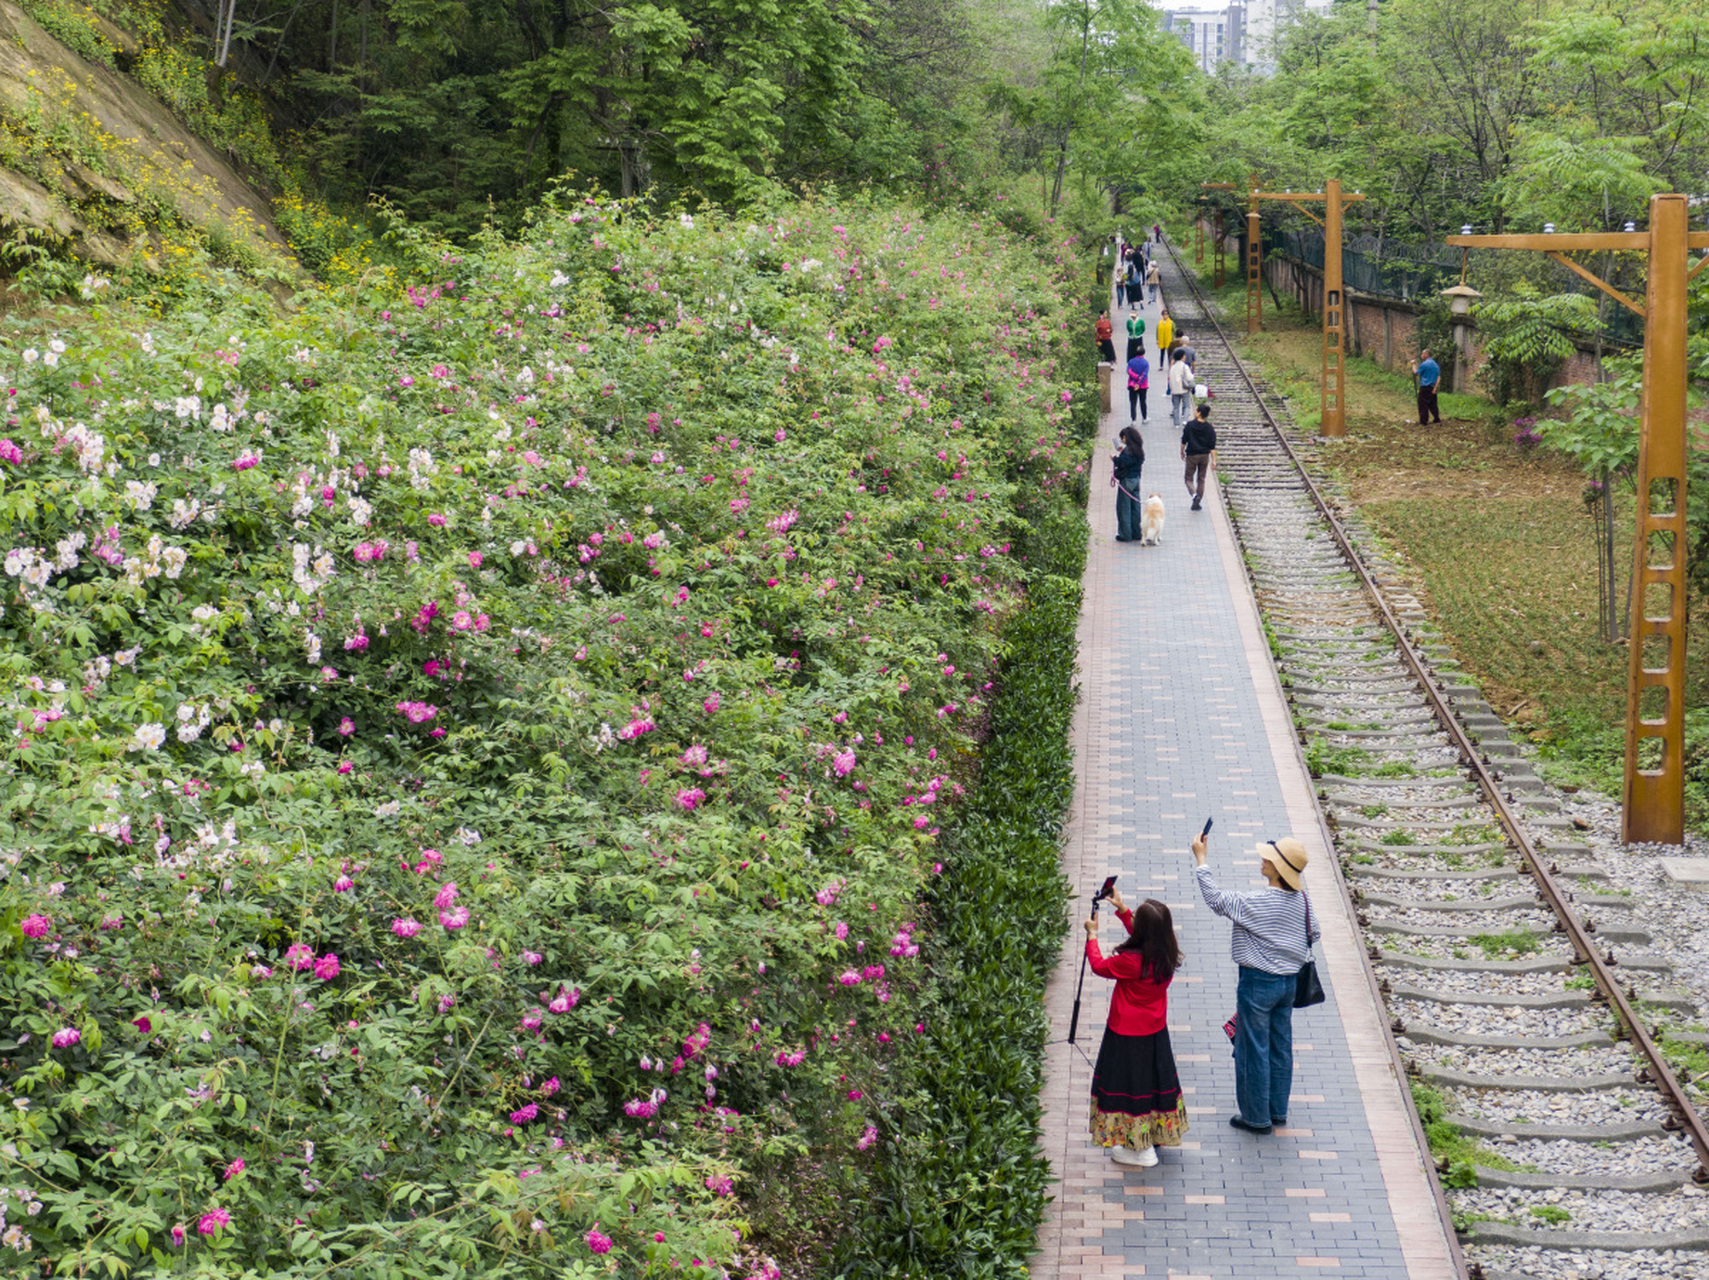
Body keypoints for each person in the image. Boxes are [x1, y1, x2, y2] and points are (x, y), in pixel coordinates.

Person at [1193, 832, 1321, 1135]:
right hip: (1289, 984)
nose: (1263, 860)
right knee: (1280, 1046)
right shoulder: (1302, 899)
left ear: (1279, 869)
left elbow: (1216, 900)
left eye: (1270, 858)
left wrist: (1201, 859)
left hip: (1257, 983)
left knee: (1253, 1049)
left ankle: (1255, 1118)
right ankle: (1277, 1111)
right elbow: (1314, 932)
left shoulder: (1258, 901)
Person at [1084, 890, 1189, 1166]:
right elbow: (1148, 936)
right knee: (1151, 1086)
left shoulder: (1130, 962)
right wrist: (1123, 910)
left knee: (1130, 1090)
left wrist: (1092, 935)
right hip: (1154, 1030)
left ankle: (1139, 1150)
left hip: (1125, 1034)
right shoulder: (1166, 951)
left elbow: (1098, 965)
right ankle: (1152, 1137)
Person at [1111, 426, 1145, 541]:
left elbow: (1123, 462)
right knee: (1135, 508)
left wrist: (1115, 459)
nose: (1122, 440)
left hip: (1126, 481)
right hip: (1136, 480)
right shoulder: (1138, 449)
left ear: (1126, 437)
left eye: (1122, 438)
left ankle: (1125, 534)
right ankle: (1137, 533)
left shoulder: (1128, 451)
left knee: (1124, 507)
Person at [1181, 402, 1216, 510]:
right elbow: (1212, 446)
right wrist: (1214, 461)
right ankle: (1198, 502)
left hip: (1192, 455)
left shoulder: (1190, 425)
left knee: (1188, 478)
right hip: (1204, 456)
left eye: (1196, 410)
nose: (1194, 412)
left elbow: (1184, 440)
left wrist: (1181, 452)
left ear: (1199, 413)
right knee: (1201, 479)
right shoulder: (1209, 428)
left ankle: (1194, 495)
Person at [1412, 349, 1442, 424]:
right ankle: (1436, 418)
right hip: (1432, 387)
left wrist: (1413, 365)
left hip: (1425, 387)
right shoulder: (1435, 364)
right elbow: (1439, 377)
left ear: (1426, 355)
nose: (1421, 355)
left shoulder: (1424, 364)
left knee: (1423, 404)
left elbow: (1416, 373)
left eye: (1422, 354)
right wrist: (1435, 388)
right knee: (1433, 404)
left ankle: (1423, 421)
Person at [1168, 350, 1195, 430]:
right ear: (1182, 357)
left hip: (1175, 390)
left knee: (1176, 407)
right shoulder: (1184, 366)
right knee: (1186, 405)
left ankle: (1176, 423)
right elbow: (1189, 378)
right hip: (1184, 389)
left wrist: (1171, 389)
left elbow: (1170, 379)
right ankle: (1185, 420)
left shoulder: (1172, 367)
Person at [1126, 351, 1149, 425]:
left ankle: (1133, 419)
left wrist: (1135, 377)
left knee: (1133, 402)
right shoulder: (1145, 362)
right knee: (1143, 401)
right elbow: (1145, 374)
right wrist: (1139, 382)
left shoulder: (1131, 361)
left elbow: (1129, 371)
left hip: (1132, 384)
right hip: (1143, 385)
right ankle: (1144, 418)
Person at [1155, 309, 1174, 380]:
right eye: (1164, 314)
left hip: (1169, 340)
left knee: (1169, 354)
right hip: (1162, 340)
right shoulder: (1160, 323)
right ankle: (1161, 365)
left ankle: (1170, 365)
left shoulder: (1171, 323)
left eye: (1166, 314)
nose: (1165, 316)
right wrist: (1157, 339)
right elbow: (1157, 331)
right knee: (1162, 353)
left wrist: (1173, 338)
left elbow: (1173, 330)